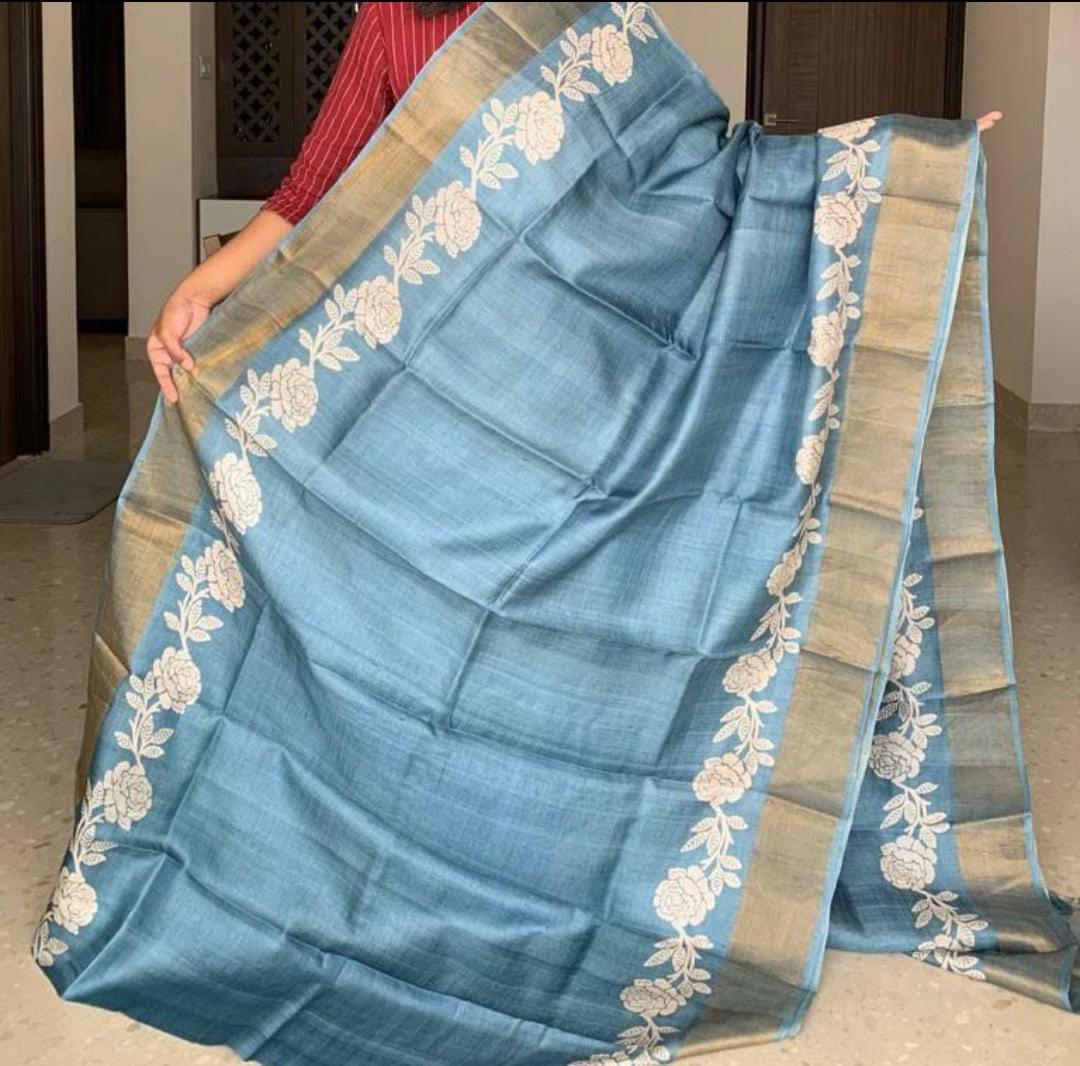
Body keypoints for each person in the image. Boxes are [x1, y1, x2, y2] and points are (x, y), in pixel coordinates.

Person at [145, 1, 1001, 402]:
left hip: (569, 357)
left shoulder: (580, 14)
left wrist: (888, 163)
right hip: (433, 354)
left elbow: (687, 166)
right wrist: (199, 289)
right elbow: (312, 186)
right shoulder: (393, 17)